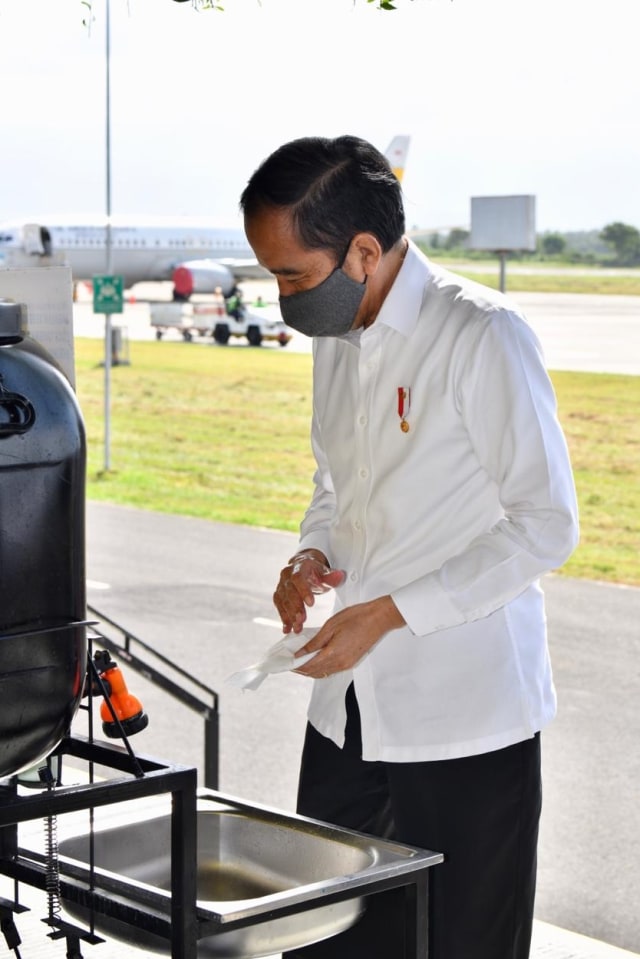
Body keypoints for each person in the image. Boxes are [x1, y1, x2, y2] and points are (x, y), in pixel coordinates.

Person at [239, 136, 579, 959]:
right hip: (349, 709)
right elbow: (337, 484)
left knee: (463, 944)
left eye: (293, 275)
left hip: (464, 717)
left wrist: (389, 613)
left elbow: (546, 522)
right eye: (271, 274)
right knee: (321, 936)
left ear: (363, 250)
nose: (282, 296)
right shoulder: (337, 333)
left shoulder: (482, 335)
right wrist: (309, 555)